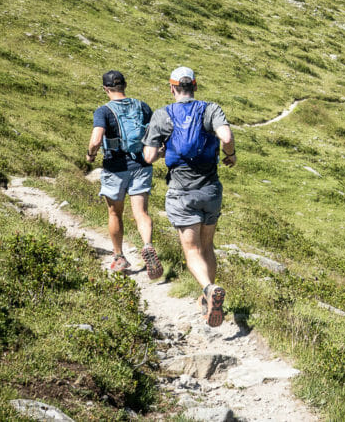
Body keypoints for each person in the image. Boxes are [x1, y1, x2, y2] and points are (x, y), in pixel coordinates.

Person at [142, 66, 236, 327]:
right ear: (195, 86)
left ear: (172, 88)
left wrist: (163, 151)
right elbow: (226, 137)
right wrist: (230, 154)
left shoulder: (163, 115)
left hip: (182, 192)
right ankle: (206, 300)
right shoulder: (210, 109)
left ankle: (208, 288)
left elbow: (148, 157)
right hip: (210, 189)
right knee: (207, 246)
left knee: (192, 250)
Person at [86, 70, 162, 279]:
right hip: (141, 165)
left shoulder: (103, 111)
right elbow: (156, 133)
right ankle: (147, 245)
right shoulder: (142, 106)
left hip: (115, 168)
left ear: (105, 89)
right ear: (124, 86)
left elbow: (95, 140)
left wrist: (90, 155)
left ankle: (119, 257)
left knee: (115, 213)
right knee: (141, 213)